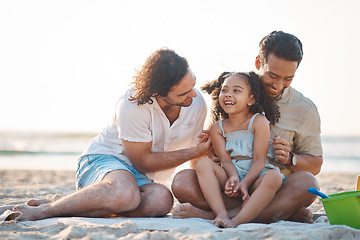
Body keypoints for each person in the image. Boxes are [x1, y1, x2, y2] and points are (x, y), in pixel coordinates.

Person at [4, 48, 212, 221]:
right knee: (125, 195)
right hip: (105, 160)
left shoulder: (196, 103)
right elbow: (143, 162)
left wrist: (201, 193)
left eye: (192, 85)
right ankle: (45, 211)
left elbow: (196, 154)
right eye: (183, 93)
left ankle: (74, 202)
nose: (193, 95)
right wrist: (193, 152)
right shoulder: (132, 104)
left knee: (161, 201)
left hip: (139, 178)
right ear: (158, 92)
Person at [171, 31, 323, 223]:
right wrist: (208, 153)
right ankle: (277, 213)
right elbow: (202, 161)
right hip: (229, 183)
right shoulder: (231, 92)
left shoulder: (304, 109)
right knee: (182, 182)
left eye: (288, 79)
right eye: (272, 75)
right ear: (259, 63)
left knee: (308, 184)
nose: (277, 85)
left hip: (271, 186)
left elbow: (315, 164)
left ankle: (218, 215)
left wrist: (291, 158)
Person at [196, 71, 283, 228]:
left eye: (236, 90)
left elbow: (259, 160)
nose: (228, 95)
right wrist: (234, 178)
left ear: (251, 99)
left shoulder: (258, 121)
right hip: (232, 175)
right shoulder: (217, 128)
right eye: (224, 90)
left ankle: (237, 220)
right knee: (203, 164)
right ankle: (221, 214)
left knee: (275, 177)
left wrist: (245, 182)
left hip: (256, 177)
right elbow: (225, 160)